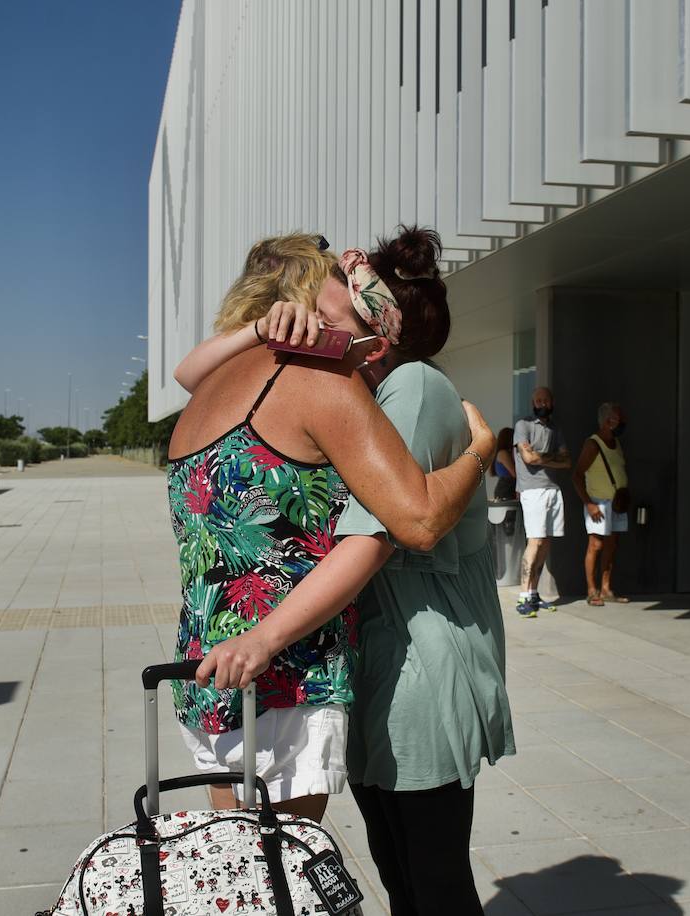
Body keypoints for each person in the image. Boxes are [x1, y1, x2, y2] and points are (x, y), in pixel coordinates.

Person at [187, 226, 515, 915]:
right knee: (395, 874)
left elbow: (397, 527)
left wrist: (483, 455)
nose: (338, 330)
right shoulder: (325, 389)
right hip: (368, 659)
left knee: (431, 880)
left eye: (346, 316)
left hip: (418, 664)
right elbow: (192, 373)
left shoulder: (413, 388)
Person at [514, 387, 570, 618]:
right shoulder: (523, 425)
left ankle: (534, 592)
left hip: (552, 489)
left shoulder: (555, 429)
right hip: (532, 490)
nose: (542, 403)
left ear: (552, 401)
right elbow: (528, 457)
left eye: (545, 399)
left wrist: (541, 458)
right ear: (532, 402)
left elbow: (567, 461)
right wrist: (551, 458)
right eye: (538, 399)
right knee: (534, 541)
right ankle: (524, 596)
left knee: (545, 542)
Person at [572, 402, 630, 607]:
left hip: (616, 503)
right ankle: (591, 590)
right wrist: (589, 503)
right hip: (598, 502)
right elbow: (577, 475)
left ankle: (606, 589)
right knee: (596, 545)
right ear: (608, 421)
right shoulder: (593, 444)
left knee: (611, 546)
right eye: (619, 419)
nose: (623, 422)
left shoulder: (615, 441)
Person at [490, 427, 517, 502]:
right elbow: (514, 473)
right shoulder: (503, 453)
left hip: (507, 487)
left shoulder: (502, 453)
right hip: (506, 488)